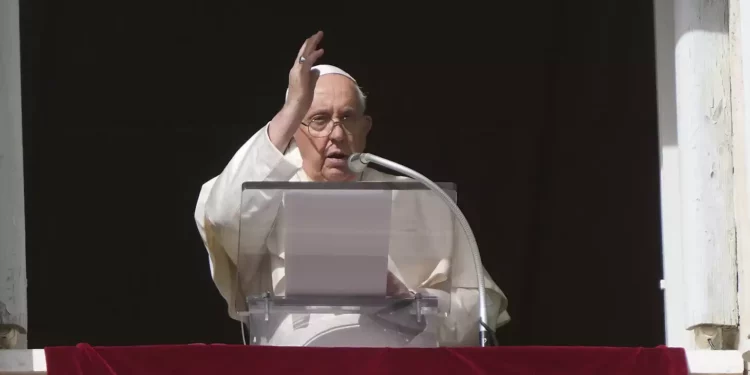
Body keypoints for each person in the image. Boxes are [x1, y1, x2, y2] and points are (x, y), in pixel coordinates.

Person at [194, 31, 510, 346]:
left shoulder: (422, 198)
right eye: (318, 119)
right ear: (293, 130)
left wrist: (414, 306)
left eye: (347, 118)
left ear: (365, 127)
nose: (337, 133)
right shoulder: (264, 194)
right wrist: (292, 108)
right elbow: (224, 216)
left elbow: (483, 305)